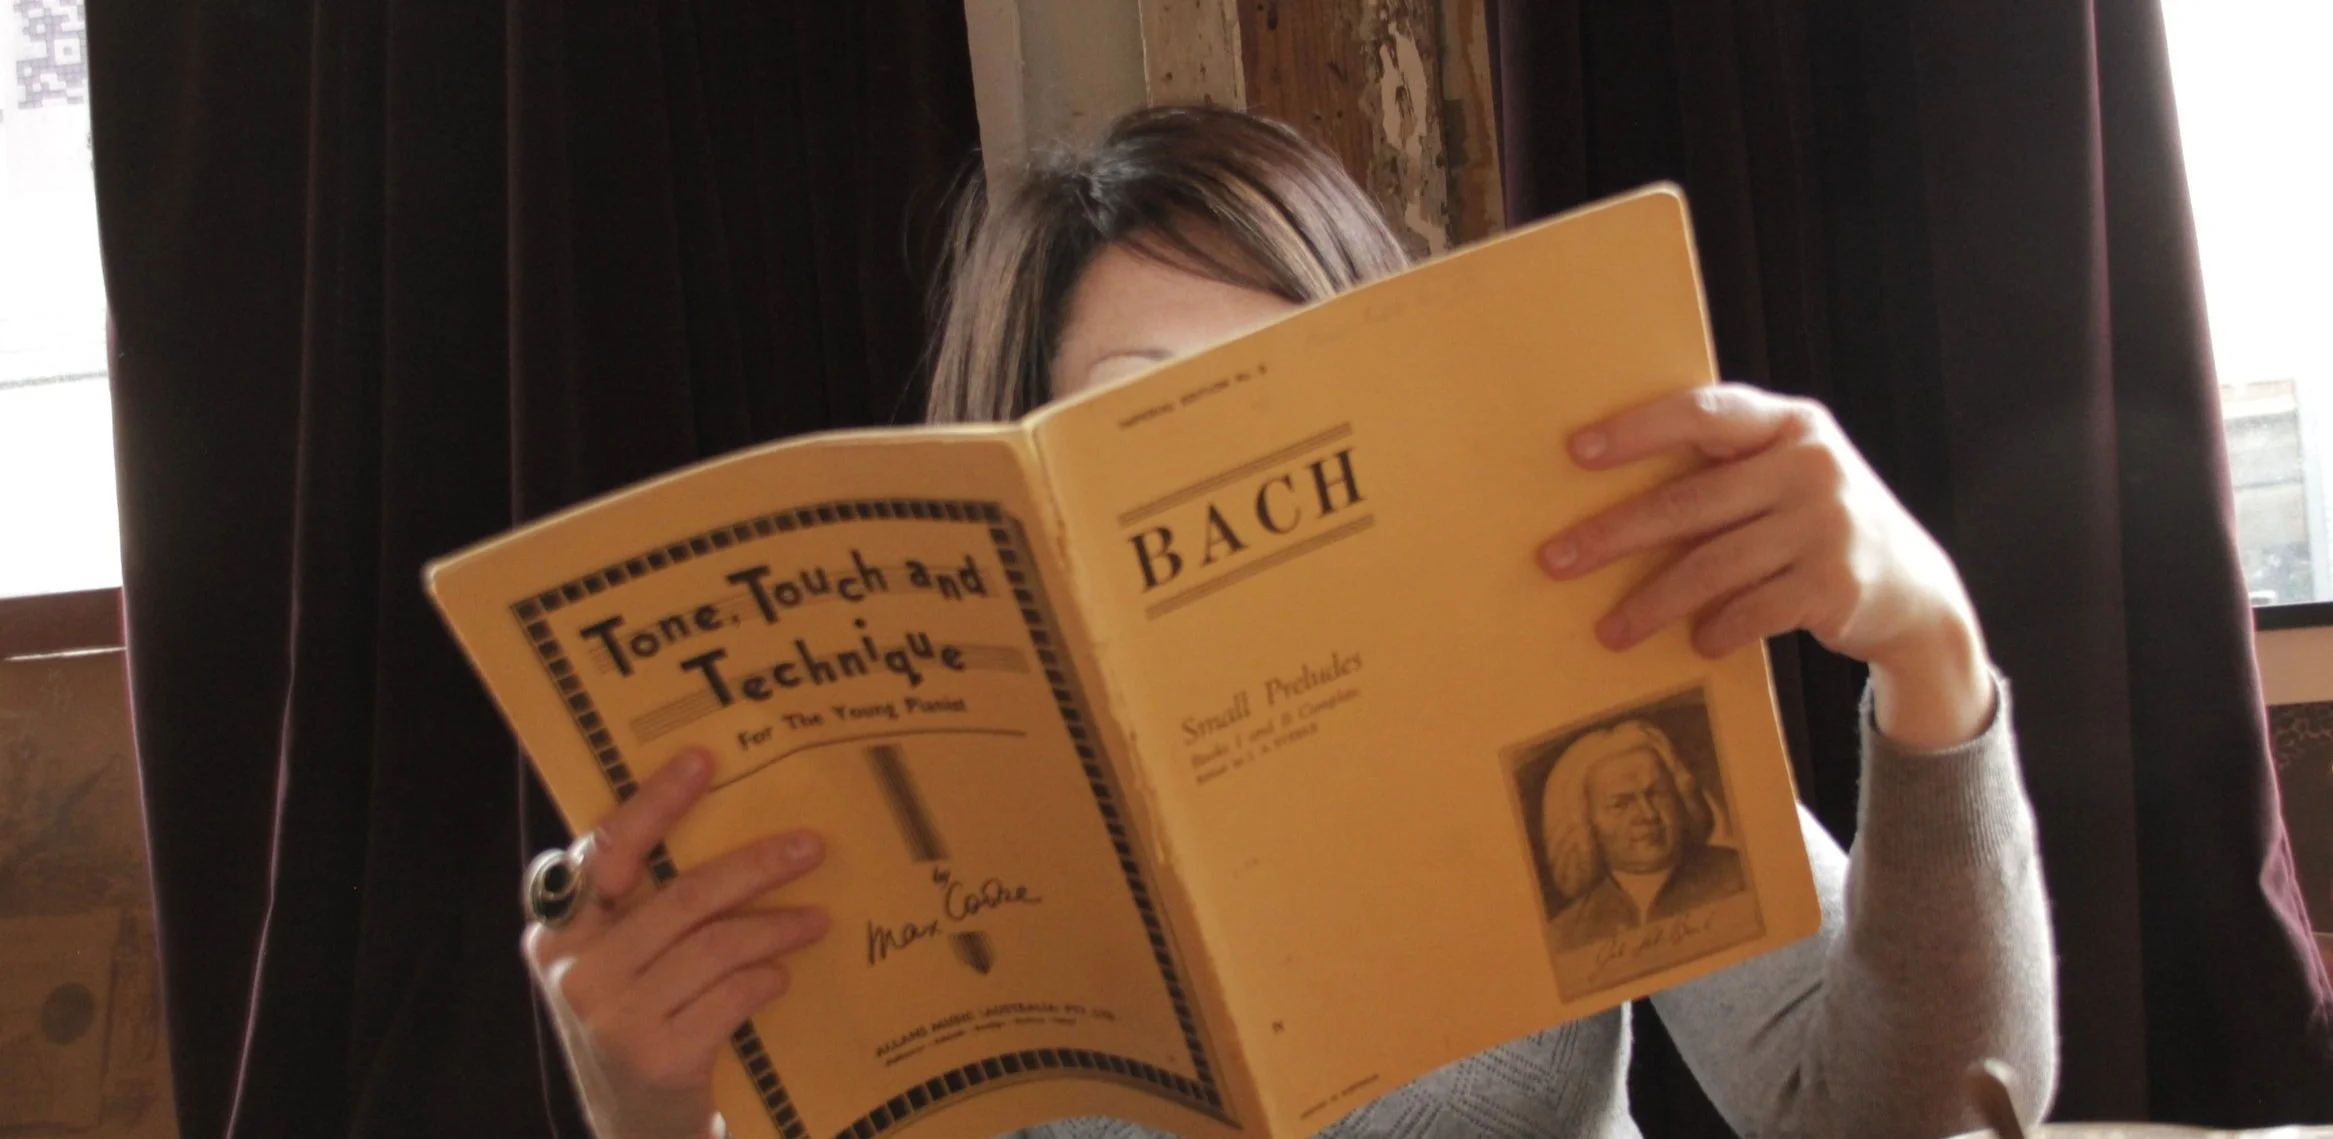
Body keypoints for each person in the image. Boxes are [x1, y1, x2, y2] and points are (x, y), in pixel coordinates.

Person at [518, 106, 2058, 1139]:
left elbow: (1914, 1107)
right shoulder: (913, 835)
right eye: (1150, 418)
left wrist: (1933, 660)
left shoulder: (1563, 696)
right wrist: (655, 1111)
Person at [1538, 720, 1747, 951]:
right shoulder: (1564, 935)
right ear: (1584, 823)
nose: (1648, 815)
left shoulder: (1740, 877)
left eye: (1657, 794)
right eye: (1620, 804)